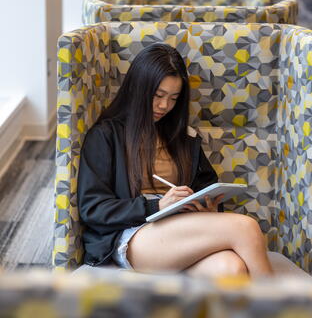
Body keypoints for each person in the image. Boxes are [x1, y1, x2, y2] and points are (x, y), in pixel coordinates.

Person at [77, 43, 273, 278]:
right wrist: (156, 206)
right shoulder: (106, 135)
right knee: (246, 227)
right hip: (132, 235)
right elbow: (93, 208)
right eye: (158, 96)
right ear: (138, 89)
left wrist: (209, 208)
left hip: (180, 230)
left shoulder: (182, 137)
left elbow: (205, 186)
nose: (164, 106)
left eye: (173, 98)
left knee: (232, 268)